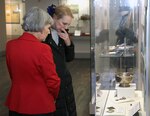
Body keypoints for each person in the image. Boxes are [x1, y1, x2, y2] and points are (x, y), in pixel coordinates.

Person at [5, 7, 60, 116]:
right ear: (40, 27)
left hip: (17, 102)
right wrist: (53, 97)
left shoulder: (10, 46)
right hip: (40, 104)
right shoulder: (43, 49)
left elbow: (13, 74)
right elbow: (53, 80)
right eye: (48, 28)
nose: (49, 32)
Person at [44, 4, 77, 116]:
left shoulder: (63, 33)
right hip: (51, 81)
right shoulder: (43, 35)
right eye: (64, 23)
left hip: (65, 81)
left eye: (68, 24)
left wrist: (68, 42)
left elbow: (70, 58)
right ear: (54, 17)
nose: (66, 27)